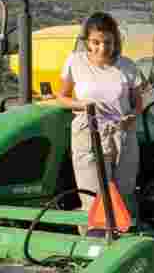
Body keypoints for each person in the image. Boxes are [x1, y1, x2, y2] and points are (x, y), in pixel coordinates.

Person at [53, 11, 145, 221]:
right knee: (93, 196)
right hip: (88, 132)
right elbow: (62, 96)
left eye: (108, 42)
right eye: (96, 42)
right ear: (86, 41)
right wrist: (82, 105)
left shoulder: (127, 66)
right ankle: (93, 245)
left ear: (116, 42)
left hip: (122, 133)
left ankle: (128, 242)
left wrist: (133, 115)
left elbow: (139, 103)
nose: (102, 48)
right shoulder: (75, 62)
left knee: (124, 195)